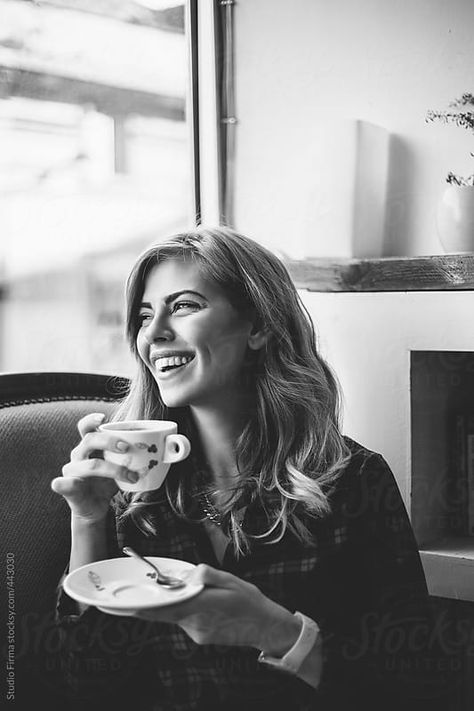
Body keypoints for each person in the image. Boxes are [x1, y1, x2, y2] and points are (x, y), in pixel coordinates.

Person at [52, 226, 452, 711]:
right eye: (143, 315)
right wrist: (89, 520)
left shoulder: (354, 481)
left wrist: (277, 631)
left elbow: (417, 690)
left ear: (258, 327)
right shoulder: (130, 490)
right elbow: (87, 688)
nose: (153, 332)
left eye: (183, 306)